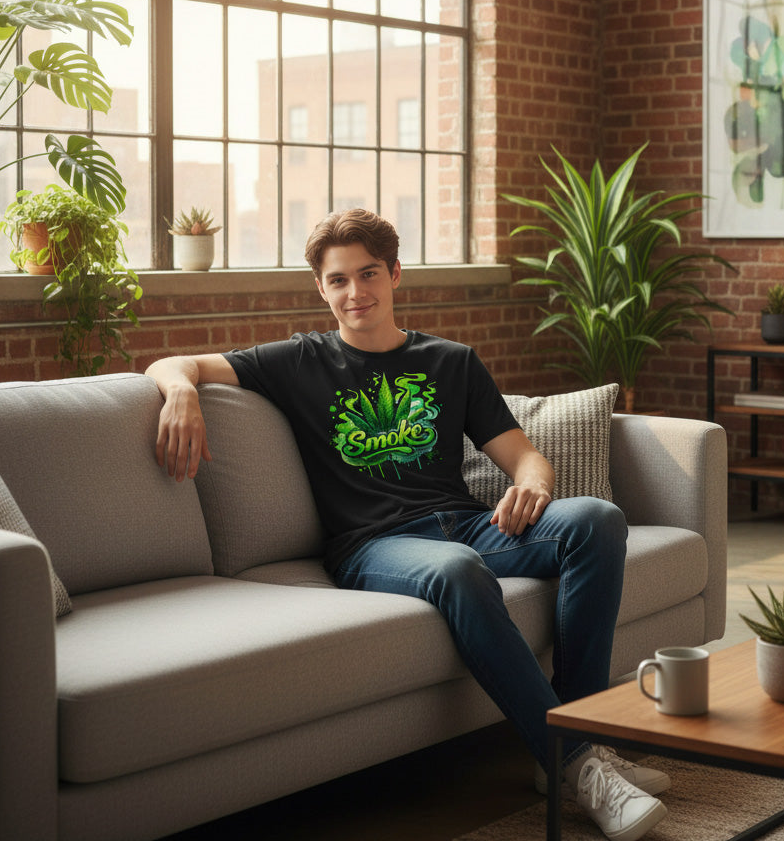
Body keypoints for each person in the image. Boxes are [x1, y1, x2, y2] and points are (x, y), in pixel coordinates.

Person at [146, 209, 669, 841]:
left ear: (395, 274)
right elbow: (175, 363)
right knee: (457, 569)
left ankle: (579, 740)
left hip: (468, 523)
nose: (354, 293)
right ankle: (576, 765)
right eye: (337, 280)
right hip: (374, 546)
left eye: (368, 274)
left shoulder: (451, 362)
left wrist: (532, 484)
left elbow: (522, 453)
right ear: (321, 288)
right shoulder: (298, 361)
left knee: (597, 520)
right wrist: (180, 394)